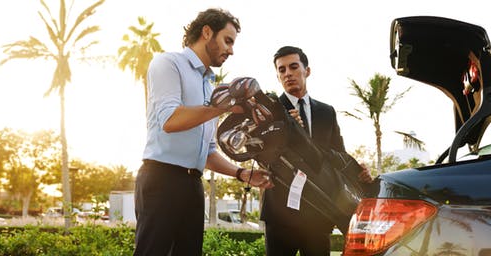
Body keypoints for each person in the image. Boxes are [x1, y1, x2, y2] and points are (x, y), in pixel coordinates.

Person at [134, 8, 272, 256]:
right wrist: (224, 106)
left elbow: (206, 152)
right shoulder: (168, 63)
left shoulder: (210, 87)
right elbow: (170, 119)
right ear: (207, 32)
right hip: (161, 179)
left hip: (192, 185)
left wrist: (241, 174)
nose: (231, 50)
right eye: (227, 41)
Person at [261, 46, 372, 256]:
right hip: (281, 213)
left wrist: (358, 172)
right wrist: (284, 130)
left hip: (319, 212)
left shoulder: (326, 112)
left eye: (293, 67)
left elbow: (338, 155)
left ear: (307, 71)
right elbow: (264, 157)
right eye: (282, 70)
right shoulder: (271, 110)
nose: (288, 74)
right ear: (277, 76)